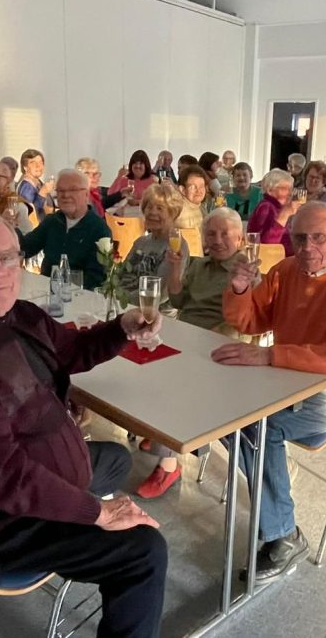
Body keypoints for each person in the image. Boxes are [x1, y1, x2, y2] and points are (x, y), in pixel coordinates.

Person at [0, 207, 167, 638]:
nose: (0, 270)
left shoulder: (17, 316)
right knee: (143, 550)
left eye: (8, 256)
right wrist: (97, 512)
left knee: (115, 458)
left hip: (29, 478)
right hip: (4, 524)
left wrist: (121, 328)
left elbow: (71, 351)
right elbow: (6, 478)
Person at [215, 201, 326, 583]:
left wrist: (271, 355)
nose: (308, 246)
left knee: (261, 427)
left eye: (319, 237)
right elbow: (251, 319)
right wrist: (240, 288)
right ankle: (275, 497)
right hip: (293, 381)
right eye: (300, 238)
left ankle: (282, 534)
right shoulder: (287, 270)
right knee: (226, 418)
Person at [134, 208, 247, 498]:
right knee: (138, 359)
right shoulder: (200, 265)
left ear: (240, 237)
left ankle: (169, 465)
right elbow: (179, 299)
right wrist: (175, 268)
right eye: (211, 233)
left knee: (176, 382)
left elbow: (241, 323)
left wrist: (197, 341)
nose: (218, 239)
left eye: (225, 233)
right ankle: (160, 430)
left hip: (216, 346)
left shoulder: (245, 271)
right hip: (186, 337)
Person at [19, 169, 112, 290]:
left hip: (81, 297)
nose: (65, 195)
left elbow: (98, 279)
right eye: (61, 190)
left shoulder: (100, 230)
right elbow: (25, 248)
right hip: (46, 293)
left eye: (72, 190)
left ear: (86, 194)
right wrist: (8, 228)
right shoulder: (52, 221)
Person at [118, 183, 190, 302]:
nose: (153, 213)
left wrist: (123, 300)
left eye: (160, 208)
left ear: (173, 214)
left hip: (154, 313)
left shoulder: (176, 247)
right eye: (149, 207)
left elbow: (160, 293)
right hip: (124, 305)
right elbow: (121, 276)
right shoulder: (140, 242)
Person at [247, 169, 298, 255]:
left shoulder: (279, 207)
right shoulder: (266, 207)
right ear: (270, 190)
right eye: (285, 188)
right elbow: (267, 245)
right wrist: (284, 216)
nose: (290, 193)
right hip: (272, 262)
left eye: (291, 189)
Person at [106, 150, 156, 215]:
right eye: (135, 163)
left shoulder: (152, 180)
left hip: (144, 215)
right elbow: (110, 195)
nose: (137, 166)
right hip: (125, 216)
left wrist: (138, 202)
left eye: (141, 163)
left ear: (146, 166)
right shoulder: (125, 179)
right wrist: (118, 177)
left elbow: (155, 201)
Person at [17, 149, 54, 220]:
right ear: (25, 167)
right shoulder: (26, 187)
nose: (38, 166)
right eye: (33, 163)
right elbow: (30, 213)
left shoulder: (37, 181)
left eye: (41, 162)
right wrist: (42, 193)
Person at [174, 164, 208, 230]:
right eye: (193, 187)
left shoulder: (200, 206)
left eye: (201, 186)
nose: (198, 191)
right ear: (183, 190)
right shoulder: (180, 213)